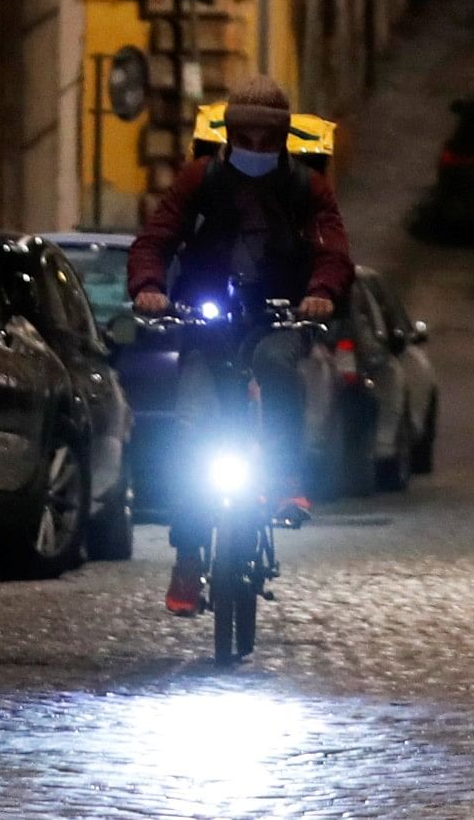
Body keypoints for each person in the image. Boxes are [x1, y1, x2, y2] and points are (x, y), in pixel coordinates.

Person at [128, 73, 354, 615]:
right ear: (229, 135)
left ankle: (284, 474)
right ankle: (187, 561)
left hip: (276, 317)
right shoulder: (199, 181)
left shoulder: (306, 188)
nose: (255, 149)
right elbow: (157, 238)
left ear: (282, 140)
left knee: (278, 367)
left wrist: (320, 293)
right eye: (245, 138)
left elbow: (332, 250)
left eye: (266, 140)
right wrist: (150, 287)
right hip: (208, 324)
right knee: (188, 429)